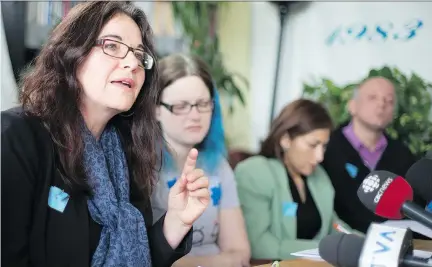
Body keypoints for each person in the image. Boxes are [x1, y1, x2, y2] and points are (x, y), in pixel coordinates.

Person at [1, 2, 211, 267]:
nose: (132, 63)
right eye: (112, 46)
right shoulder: (16, 137)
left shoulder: (128, 152)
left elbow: (140, 259)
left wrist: (176, 222)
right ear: (72, 53)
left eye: (139, 54)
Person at [152, 54, 251, 267]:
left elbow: (240, 253)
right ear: (156, 110)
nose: (195, 115)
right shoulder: (141, 169)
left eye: (203, 103)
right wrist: (219, 261)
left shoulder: (219, 167)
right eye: (181, 106)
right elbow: (146, 258)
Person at [234, 99, 355, 260]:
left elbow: (334, 224)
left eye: (324, 146)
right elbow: (259, 245)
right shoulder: (255, 172)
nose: (320, 157)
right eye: (313, 145)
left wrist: (364, 243)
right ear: (285, 140)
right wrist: (327, 249)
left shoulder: (318, 175)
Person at [321, 77, 423, 233]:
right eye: (372, 97)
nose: (381, 104)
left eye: (388, 101)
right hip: (340, 242)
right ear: (352, 106)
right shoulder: (326, 147)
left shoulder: (401, 154)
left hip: (391, 241)